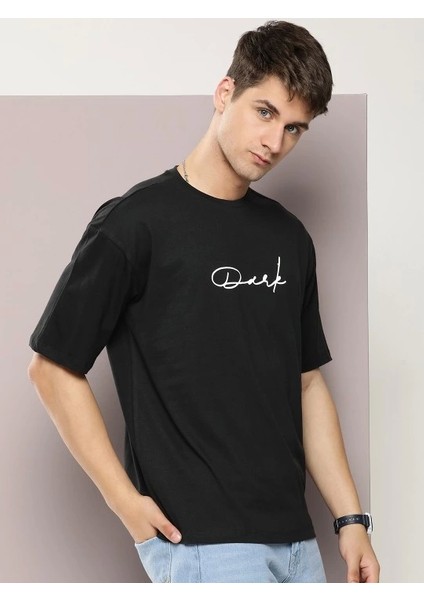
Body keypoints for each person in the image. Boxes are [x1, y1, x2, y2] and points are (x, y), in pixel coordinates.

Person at [27, 20, 380, 583]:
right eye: (264, 112)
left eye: (294, 128)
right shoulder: (135, 223)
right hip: (204, 547)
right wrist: (125, 503)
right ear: (224, 93)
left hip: (298, 544)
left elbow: (307, 383)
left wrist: (350, 519)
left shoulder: (289, 238)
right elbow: (51, 368)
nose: (275, 142)